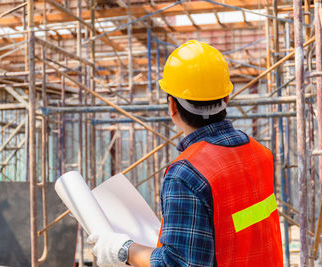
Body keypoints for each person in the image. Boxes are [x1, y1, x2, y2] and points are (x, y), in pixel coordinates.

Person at [87, 40, 283, 267]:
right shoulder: (260, 153)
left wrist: (122, 249)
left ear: (172, 106)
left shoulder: (186, 174)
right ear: (226, 98)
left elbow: (177, 264)